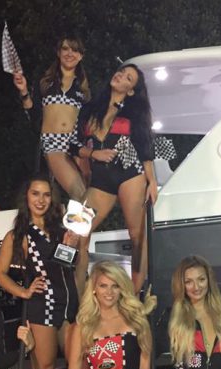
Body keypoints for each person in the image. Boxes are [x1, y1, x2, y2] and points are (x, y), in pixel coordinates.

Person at [0, 175, 78, 369]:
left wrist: (73, 244)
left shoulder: (62, 228)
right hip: (42, 307)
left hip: (70, 305)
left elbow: (69, 267)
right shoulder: (18, 235)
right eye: (35, 194)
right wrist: (24, 292)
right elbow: (0, 274)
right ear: (26, 197)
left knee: (80, 367)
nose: (41, 200)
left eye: (46, 194)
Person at [72, 64, 158, 294]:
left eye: (128, 78)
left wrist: (151, 181)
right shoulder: (91, 108)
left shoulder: (134, 112)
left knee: (137, 235)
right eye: (121, 72)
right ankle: (78, 296)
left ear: (131, 90)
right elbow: (74, 145)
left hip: (130, 173)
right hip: (100, 180)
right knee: (76, 231)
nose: (120, 76)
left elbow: (144, 147)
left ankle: (134, 296)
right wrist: (91, 154)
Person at [13, 37, 90, 200]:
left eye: (75, 50)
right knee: (81, 195)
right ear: (58, 52)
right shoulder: (46, 83)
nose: (70, 53)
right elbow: (33, 114)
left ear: (81, 56)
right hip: (53, 143)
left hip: (75, 144)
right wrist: (24, 91)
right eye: (65, 49)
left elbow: (86, 121)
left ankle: (64, 216)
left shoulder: (83, 87)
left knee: (91, 194)